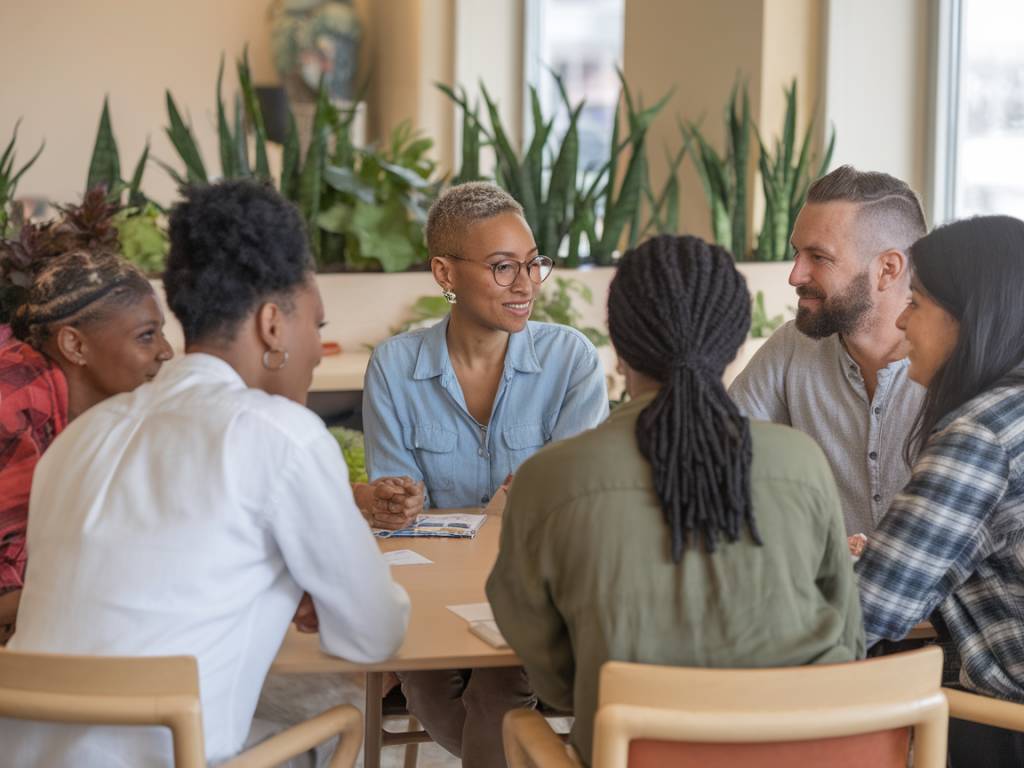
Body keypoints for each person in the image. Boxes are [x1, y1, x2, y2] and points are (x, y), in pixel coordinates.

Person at [2, 180, 410, 767]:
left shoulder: (78, 439)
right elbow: (372, 636)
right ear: (272, 325)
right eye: (314, 327)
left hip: (25, 751)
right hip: (177, 757)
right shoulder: (279, 435)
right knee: (343, 703)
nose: (319, 352)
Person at [488, 234, 865, 765]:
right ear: (736, 344)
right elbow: (848, 640)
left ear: (619, 347)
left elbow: (554, 678)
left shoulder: (549, 479)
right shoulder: (802, 463)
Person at [362, 181, 609, 767]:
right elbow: (401, 514)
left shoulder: (571, 360)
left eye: (532, 264)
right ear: (445, 273)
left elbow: (568, 505)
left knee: (498, 688)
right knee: (426, 684)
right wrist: (391, 501)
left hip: (536, 592)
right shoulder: (396, 367)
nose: (526, 285)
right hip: (433, 595)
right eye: (503, 268)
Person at [855, 216, 1024, 768]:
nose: (901, 321)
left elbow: (867, 610)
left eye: (918, 302)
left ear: (970, 316)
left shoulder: (981, 435)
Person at [729, 165, 927, 535]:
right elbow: (722, 458)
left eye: (818, 257)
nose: (795, 275)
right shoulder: (792, 348)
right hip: (823, 589)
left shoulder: (963, 365)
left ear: (888, 268)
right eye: (797, 254)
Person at [0, 247, 173, 640]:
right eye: (147, 335)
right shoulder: (14, 410)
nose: (166, 351)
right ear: (75, 346)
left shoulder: (77, 408)